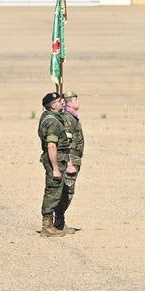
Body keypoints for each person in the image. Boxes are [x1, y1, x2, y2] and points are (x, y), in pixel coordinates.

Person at [37, 92, 71, 237]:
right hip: (54, 161)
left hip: (59, 159)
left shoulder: (52, 118)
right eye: (59, 101)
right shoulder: (53, 122)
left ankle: (56, 225)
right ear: (52, 105)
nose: (62, 102)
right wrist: (55, 168)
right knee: (52, 192)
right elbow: (52, 146)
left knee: (58, 192)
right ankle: (47, 226)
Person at [55, 92, 84, 234]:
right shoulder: (67, 118)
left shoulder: (73, 117)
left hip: (75, 157)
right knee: (67, 191)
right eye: (75, 99)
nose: (78, 101)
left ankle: (58, 222)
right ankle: (58, 223)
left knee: (68, 191)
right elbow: (66, 142)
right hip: (71, 158)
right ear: (69, 103)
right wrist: (70, 163)